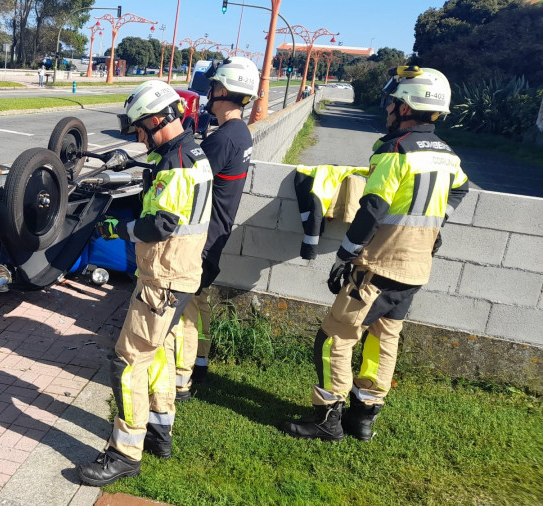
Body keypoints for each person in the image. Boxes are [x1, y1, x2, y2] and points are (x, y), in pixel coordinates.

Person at [281, 66, 469, 442]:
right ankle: (363, 417)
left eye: (393, 102)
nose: (388, 108)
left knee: (335, 337)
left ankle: (327, 418)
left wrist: (345, 255)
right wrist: (435, 224)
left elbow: (373, 208)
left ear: (407, 108)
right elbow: (460, 190)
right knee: (384, 339)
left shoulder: (395, 150)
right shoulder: (447, 155)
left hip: (378, 267)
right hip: (416, 269)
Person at [76, 80, 213, 486]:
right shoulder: (191, 153)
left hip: (163, 278)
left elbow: (162, 223)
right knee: (157, 354)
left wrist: (120, 227)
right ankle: (159, 430)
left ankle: (124, 452)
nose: (138, 137)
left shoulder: (177, 164)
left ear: (157, 120)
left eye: (140, 129)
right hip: (180, 276)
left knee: (127, 360)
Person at [173, 57, 259, 401]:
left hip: (202, 238)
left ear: (224, 89)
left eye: (213, 86)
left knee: (185, 313)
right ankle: (202, 360)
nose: (209, 92)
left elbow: (187, 180)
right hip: (218, 231)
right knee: (201, 300)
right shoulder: (240, 133)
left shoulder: (224, 138)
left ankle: (181, 380)